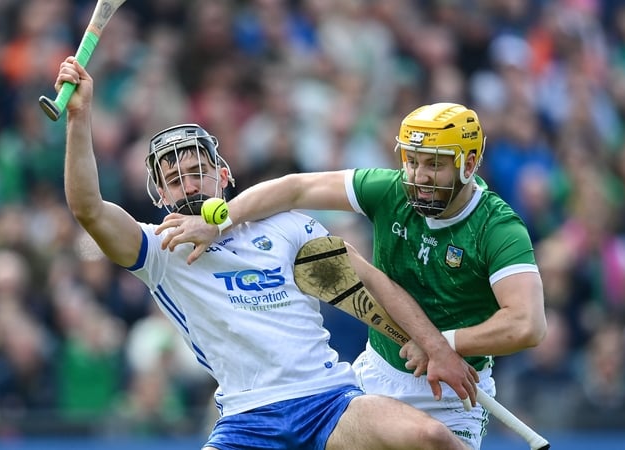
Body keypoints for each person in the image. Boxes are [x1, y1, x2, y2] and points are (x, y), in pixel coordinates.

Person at [53, 56, 479, 450]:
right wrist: (79, 117)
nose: (190, 184)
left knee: (432, 438)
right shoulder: (159, 251)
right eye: (176, 179)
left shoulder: (285, 227)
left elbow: (366, 283)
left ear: (223, 175)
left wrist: (432, 345)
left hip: (329, 403)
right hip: (246, 422)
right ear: (161, 195)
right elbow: (88, 209)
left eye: (198, 171)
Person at [163, 102, 548, 449]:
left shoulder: (497, 228)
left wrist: (444, 344)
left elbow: (527, 324)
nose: (419, 176)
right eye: (412, 160)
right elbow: (295, 189)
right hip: (373, 379)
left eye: (434, 164)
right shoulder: (389, 191)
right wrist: (221, 222)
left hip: (452, 392)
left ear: (467, 163)